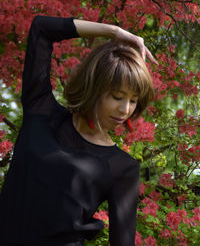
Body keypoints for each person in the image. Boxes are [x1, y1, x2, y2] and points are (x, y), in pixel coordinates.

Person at [0, 15, 156, 246]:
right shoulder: (41, 113)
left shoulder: (122, 168)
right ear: (94, 87)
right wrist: (113, 31)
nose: (125, 110)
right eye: (117, 97)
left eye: (133, 101)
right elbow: (41, 29)